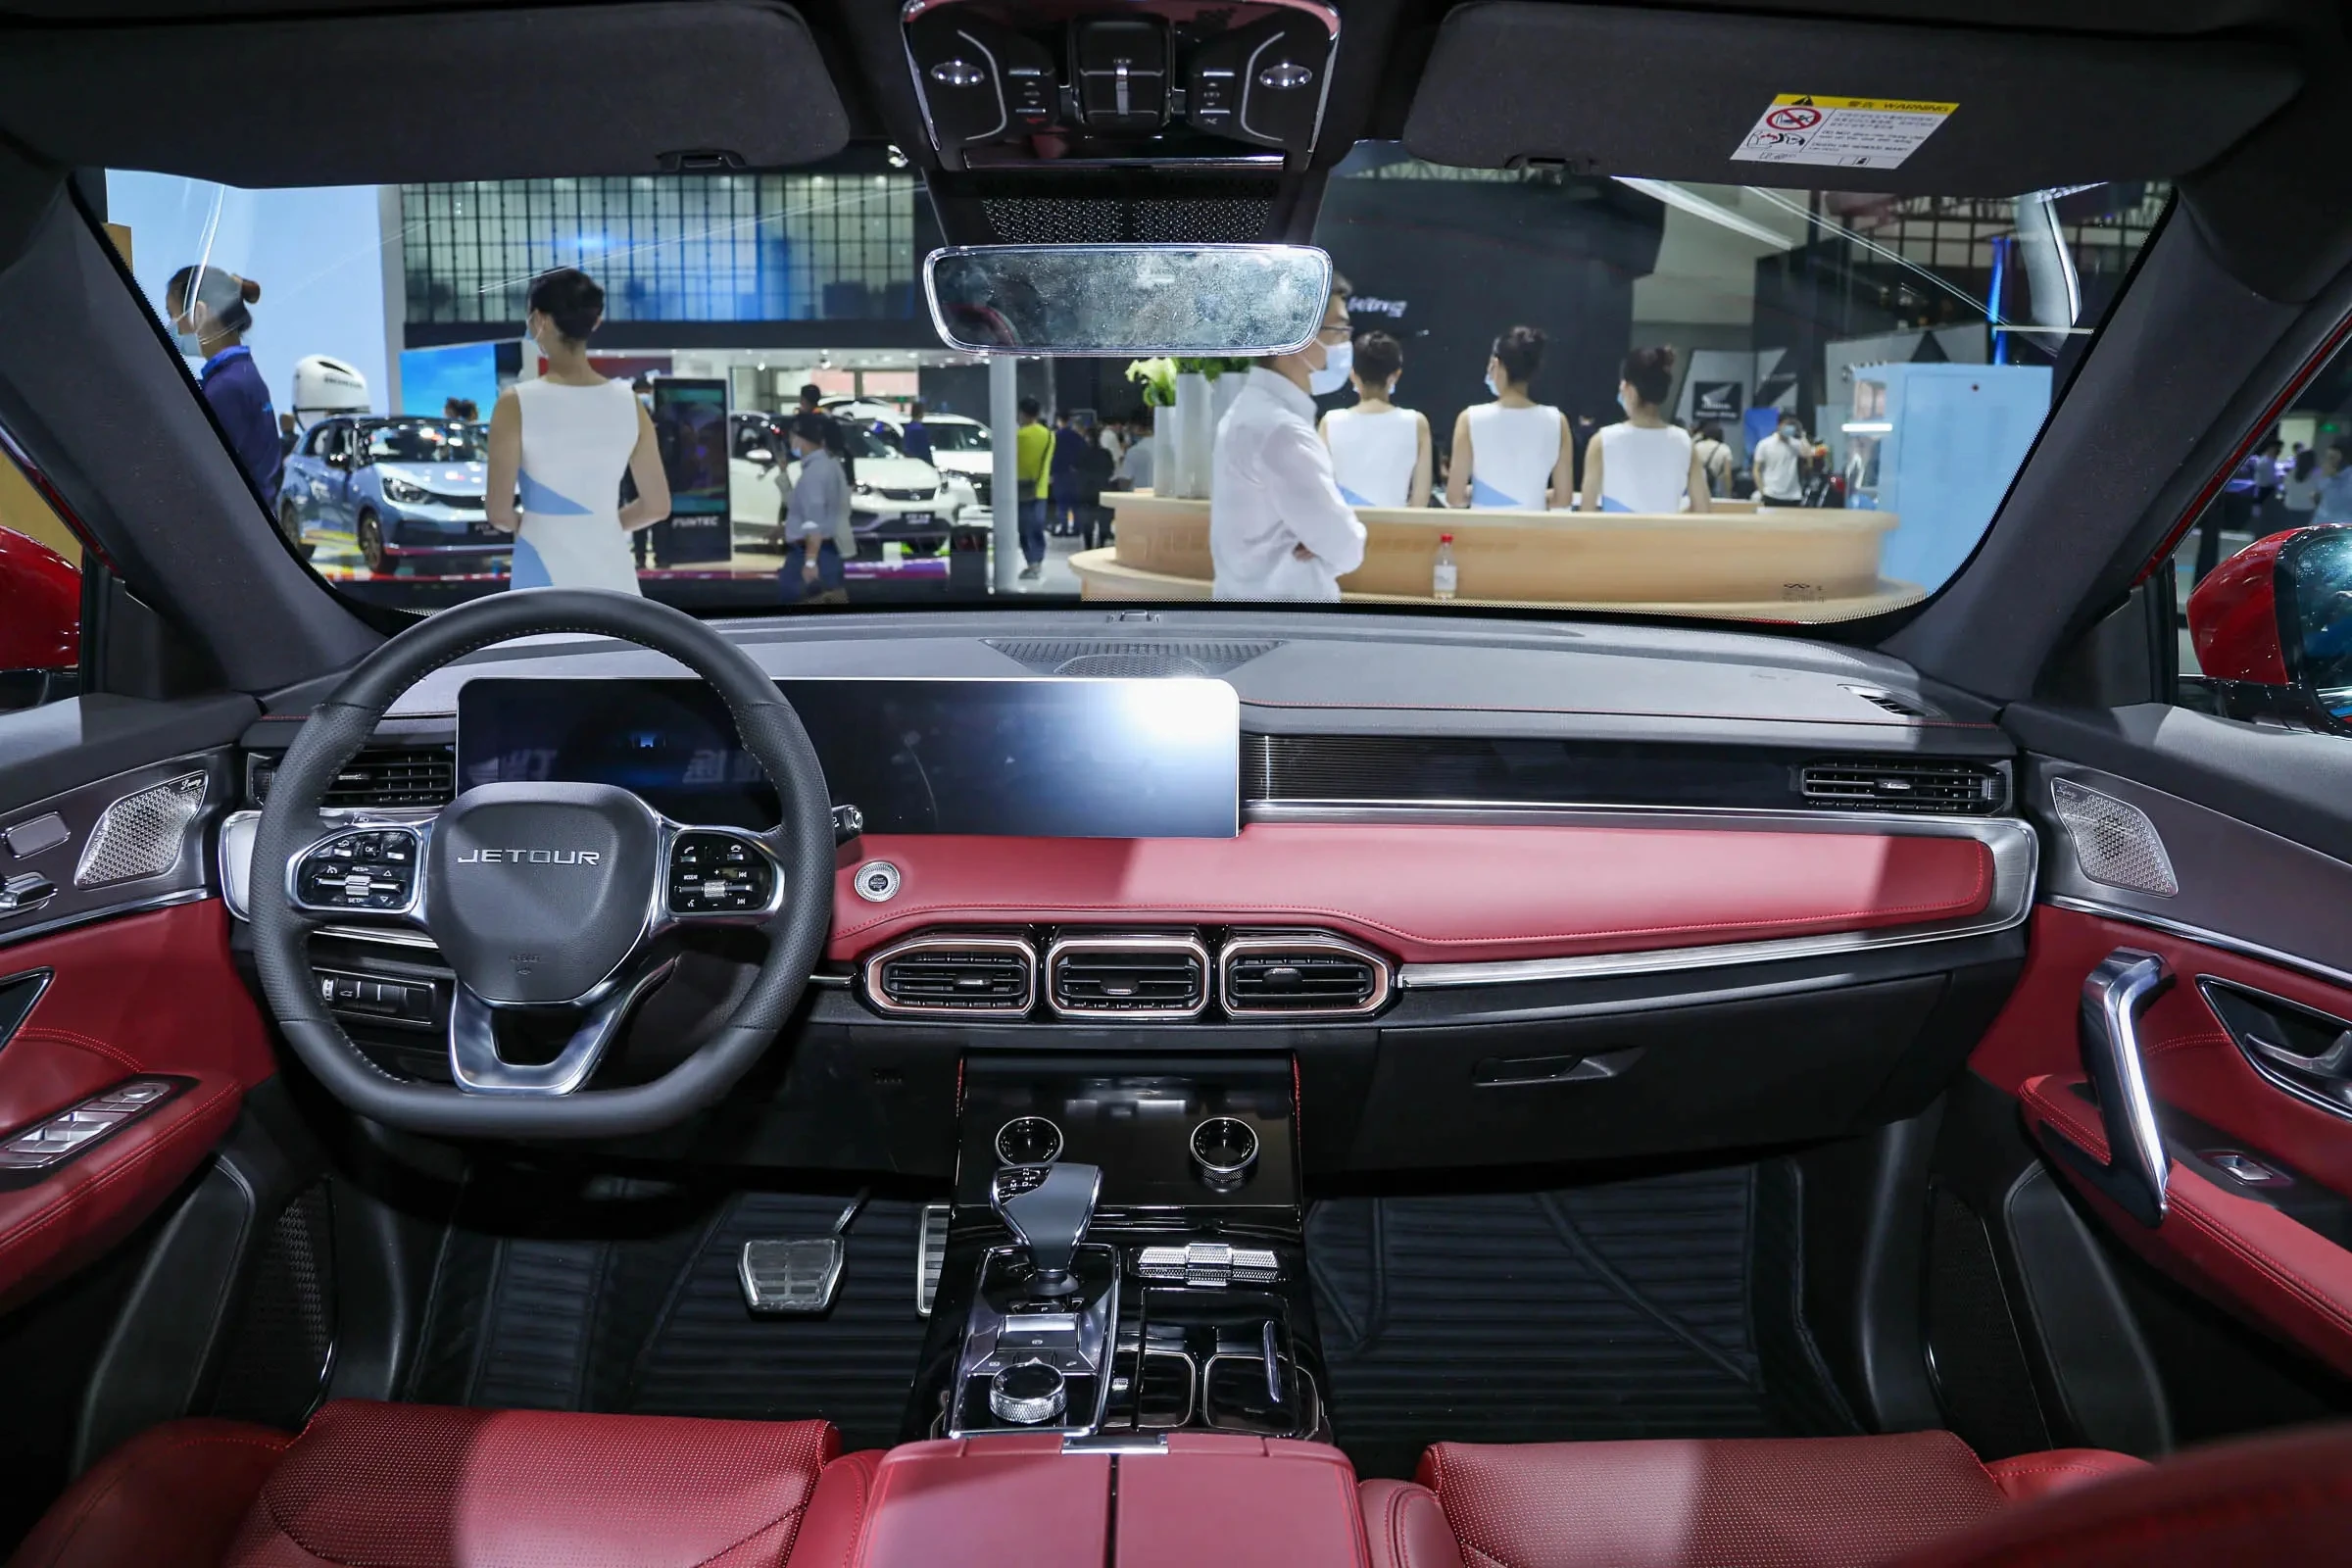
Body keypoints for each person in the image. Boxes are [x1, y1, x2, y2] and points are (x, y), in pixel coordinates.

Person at [484, 268, 669, 593]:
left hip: (541, 568)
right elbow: (656, 506)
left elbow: (499, 513)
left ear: (539, 320)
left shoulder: (515, 404)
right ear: (595, 322)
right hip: (614, 574)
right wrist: (602, 525)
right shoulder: (630, 403)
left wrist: (532, 526)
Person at [1209, 276, 1367, 600]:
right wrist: (1330, 539)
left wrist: (1322, 538)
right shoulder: (1282, 431)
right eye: (1338, 330)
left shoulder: (1251, 411)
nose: (1345, 344)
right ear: (1297, 335)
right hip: (1293, 616)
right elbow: (1347, 547)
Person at [165, 265, 282, 510]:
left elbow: (203, 476)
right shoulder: (241, 374)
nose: (173, 327)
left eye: (173, 315)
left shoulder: (225, 388)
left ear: (198, 313)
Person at [1447, 325, 1570, 510]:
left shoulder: (1470, 419)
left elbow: (1455, 498)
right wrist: (1530, 497)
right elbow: (1563, 499)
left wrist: (1482, 493)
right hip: (1534, 525)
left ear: (1496, 365)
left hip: (1484, 526)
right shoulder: (1557, 421)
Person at [1580, 347, 1710, 514]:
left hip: (1616, 532)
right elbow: (1702, 510)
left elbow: (1587, 512)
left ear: (1630, 390)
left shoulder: (1603, 441)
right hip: (1668, 532)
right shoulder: (1684, 442)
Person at [1319, 330, 1432, 509]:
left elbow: (1320, 489)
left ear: (1352, 375)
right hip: (1396, 525)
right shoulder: (1416, 423)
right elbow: (1420, 500)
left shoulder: (1330, 422)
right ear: (1396, 375)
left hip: (1342, 524)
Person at [779, 410, 856, 606]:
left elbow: (814, 519)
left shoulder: (815, 472)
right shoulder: (829, 465)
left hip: (811, 552)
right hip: (825, 550)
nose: (790, 443)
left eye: (792, 438)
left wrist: (810, 562)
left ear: (800, 439)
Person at [1013, 396, 1053, 581]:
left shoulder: (1019, 436)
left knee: (1024, 528)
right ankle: (1038, 562)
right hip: (1041, 489)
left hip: (1021, 489)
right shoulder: (1050, 435)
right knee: (1037, 527)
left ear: (1022, 413)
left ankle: (1032, 563)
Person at [1751, 412, 1810, 508]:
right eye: (1787, 424)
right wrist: (1762, 492)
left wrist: (1802, 435)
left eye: (1792, 425)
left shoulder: (1796, 444)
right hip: (1771, 494)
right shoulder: (1764, 444)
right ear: (1779, 425)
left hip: (1793, 495)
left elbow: (1808, 454)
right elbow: (1756, 470)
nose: (1789, 428)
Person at [1049, 410, 1089, 537]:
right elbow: (1084, 453)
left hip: (1059, 473)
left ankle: (1064, 527)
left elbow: (1052, 456)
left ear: (1059, 421)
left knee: (1061, 503)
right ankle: (1077, 528)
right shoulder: (1077, 437)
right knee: (1075, 503)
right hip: (1074, 474)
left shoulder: (1055, 437)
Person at [1691, 420, 1735, 500]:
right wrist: (1728, 494)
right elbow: (1727, 474)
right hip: (1715, 486)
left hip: (1697, 484)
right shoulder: (1725, 449)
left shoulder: (1697, 447)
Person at [901, 400, 934, 464]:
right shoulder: (919, 429)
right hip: (920, 462)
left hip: (909, 461)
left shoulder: (907, 428)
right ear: (921, 413)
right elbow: (924, 450)